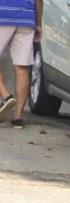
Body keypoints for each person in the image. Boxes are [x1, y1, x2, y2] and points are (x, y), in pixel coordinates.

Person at [0, 0, 43, 129]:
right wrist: (38, 23)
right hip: (26, 17)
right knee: (22, 67)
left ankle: (6, 97)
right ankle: (18, 117)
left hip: (3, 14)